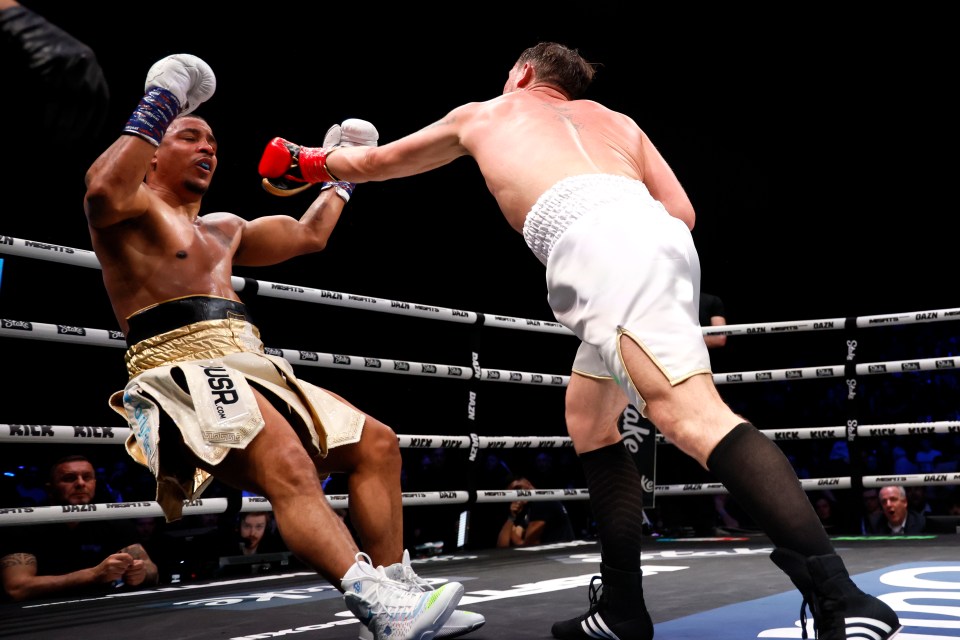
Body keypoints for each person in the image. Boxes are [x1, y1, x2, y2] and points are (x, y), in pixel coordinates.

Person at [262, 41, 903, 639]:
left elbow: (374, 162)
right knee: (589, 418)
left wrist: (303, 161)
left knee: (690, 415)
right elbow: (683, 213)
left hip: (602, 247)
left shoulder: (487, 112)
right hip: (658, 241)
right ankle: (623, 606)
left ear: (524, 75)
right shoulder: (619, 122)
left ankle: (839, 594)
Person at [81, 53, 470, 640]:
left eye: (212, 139)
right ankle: (375, 604)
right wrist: (162, 98)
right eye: (190, 135)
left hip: (253, 360)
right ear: (152, 152)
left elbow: (310, 235)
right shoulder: (129, 211)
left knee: (377, 445)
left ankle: (399, 592)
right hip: (181, 365)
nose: (208, 146)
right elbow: (101, 191)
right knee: (289, 466)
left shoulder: (225, 229)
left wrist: (342, 171)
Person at [0, 455, 159, 601]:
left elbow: (151, 569)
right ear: (50, 488)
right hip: (40, 613)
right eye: (69, 478)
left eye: (87, 477)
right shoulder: (26, 524)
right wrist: (92, 575)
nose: (80, 483)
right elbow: (17, 588)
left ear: (94, 484)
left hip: (103, 609)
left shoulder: (113, 521)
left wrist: (140, 573)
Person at [496, 477, 575, 548]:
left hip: (561, 553)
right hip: (552, 554)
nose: (518, 493)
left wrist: (516, 536)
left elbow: (529, 545)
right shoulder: (527, 509)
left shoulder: (542, 501)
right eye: (512, 494)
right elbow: (502, 546)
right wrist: (511, 517)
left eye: (518, 488)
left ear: (528, 483)